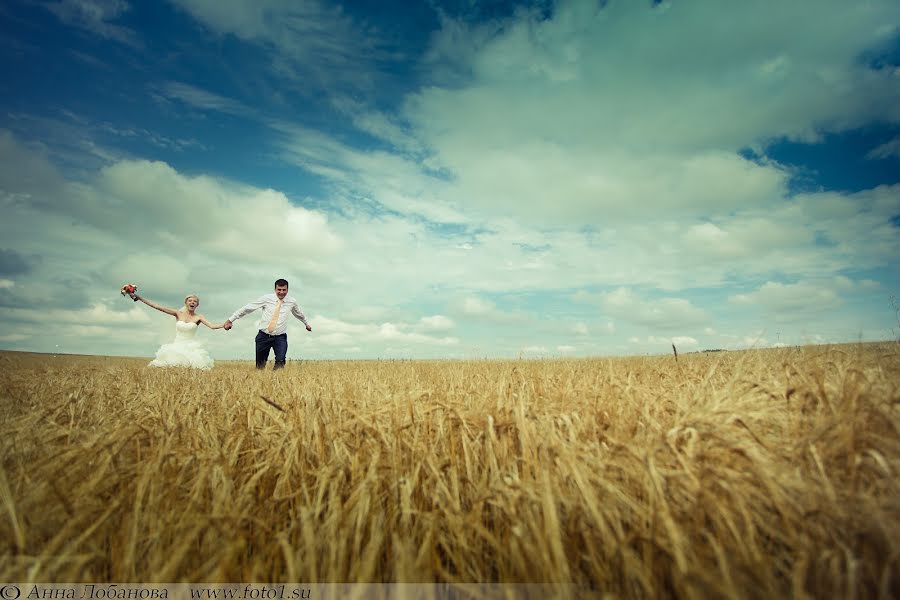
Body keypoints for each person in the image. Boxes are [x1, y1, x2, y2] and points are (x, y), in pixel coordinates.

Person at [223, 279, 312, 370]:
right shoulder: (266, 299)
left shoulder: (292, 301)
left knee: (281, 361)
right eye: (279, 290)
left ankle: (275, 381)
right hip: (263, 336)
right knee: (260, 367)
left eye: (284, 290)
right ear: (275, 289)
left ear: (287, 290)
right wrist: (231, 320)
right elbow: (248, 308)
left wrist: (306, 324)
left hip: (280, 337)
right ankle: (263, 381)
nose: (281, 292)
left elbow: (299, 313)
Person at [130, 291, 224, 370]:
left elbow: (212, 326)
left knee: (193, 369)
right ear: (186, 303)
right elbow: (157, 306)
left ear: (197, 305)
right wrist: (139, 298)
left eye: (195, 301)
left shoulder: (199, 317)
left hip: (191, 348)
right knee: (170, 367)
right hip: (176, 346)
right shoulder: (178, 313)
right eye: (190, 301)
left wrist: (225, 325)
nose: (192, 302)